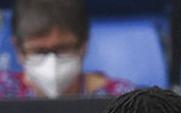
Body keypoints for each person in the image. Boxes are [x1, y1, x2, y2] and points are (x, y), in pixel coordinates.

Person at [0, 0, 134, 98]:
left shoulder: (121, 99)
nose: (51, 62)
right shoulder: (4, 92)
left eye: (63, 49)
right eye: (39, 51)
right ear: (18, 48)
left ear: (84, 44)